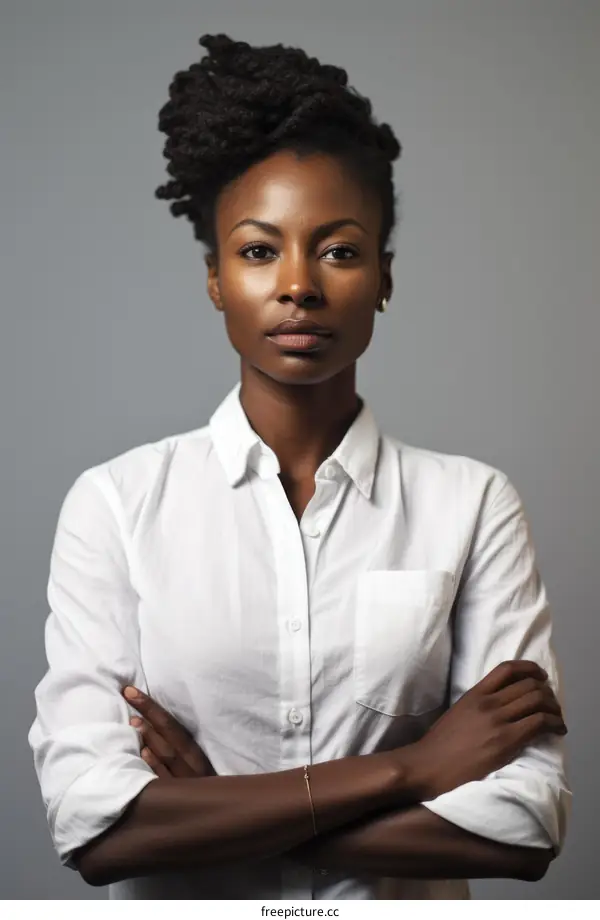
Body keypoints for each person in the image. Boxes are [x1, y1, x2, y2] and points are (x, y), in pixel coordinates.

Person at [28, 33, 570, 900]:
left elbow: (523, 827)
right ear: (214, 279)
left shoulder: (471, 506)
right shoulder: (117, 505)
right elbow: (95, 830)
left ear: (383, 278)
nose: (298, 286)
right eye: (256, 251)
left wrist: (210, 811)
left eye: (340, 250)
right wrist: (415, 769)